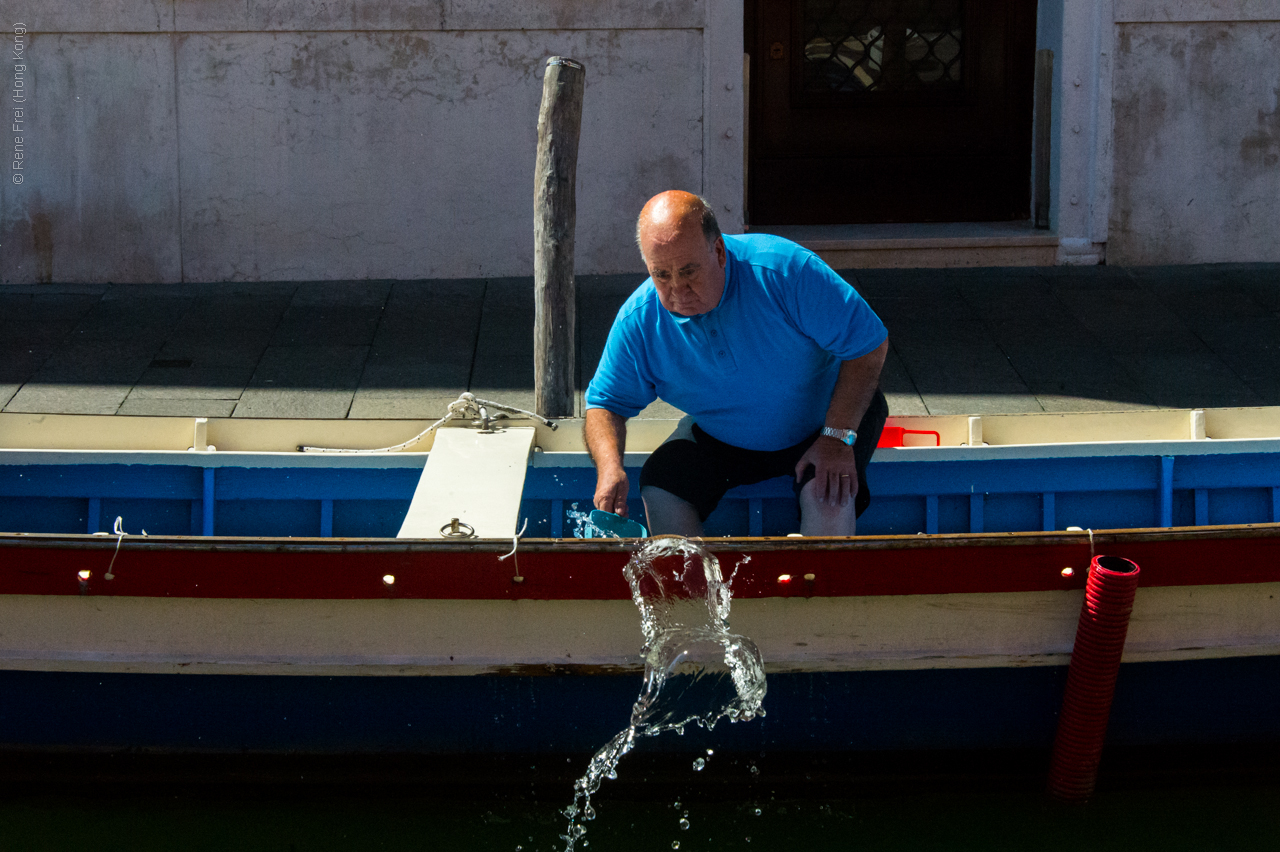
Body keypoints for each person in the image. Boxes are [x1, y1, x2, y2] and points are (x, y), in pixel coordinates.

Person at [584, 191, 889, 537]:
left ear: (718, 252)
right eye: (662, 275)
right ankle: (694, 589)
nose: (678, 291)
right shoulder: (639, 320)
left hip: (827, 420)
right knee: (660, 486)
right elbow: (604, 405)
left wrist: (837, 438)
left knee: (830, 494)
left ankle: (822, 586)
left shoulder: (784, 270)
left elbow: (869, 345)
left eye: (688, 272)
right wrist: (610, 468)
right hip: (725, 436)